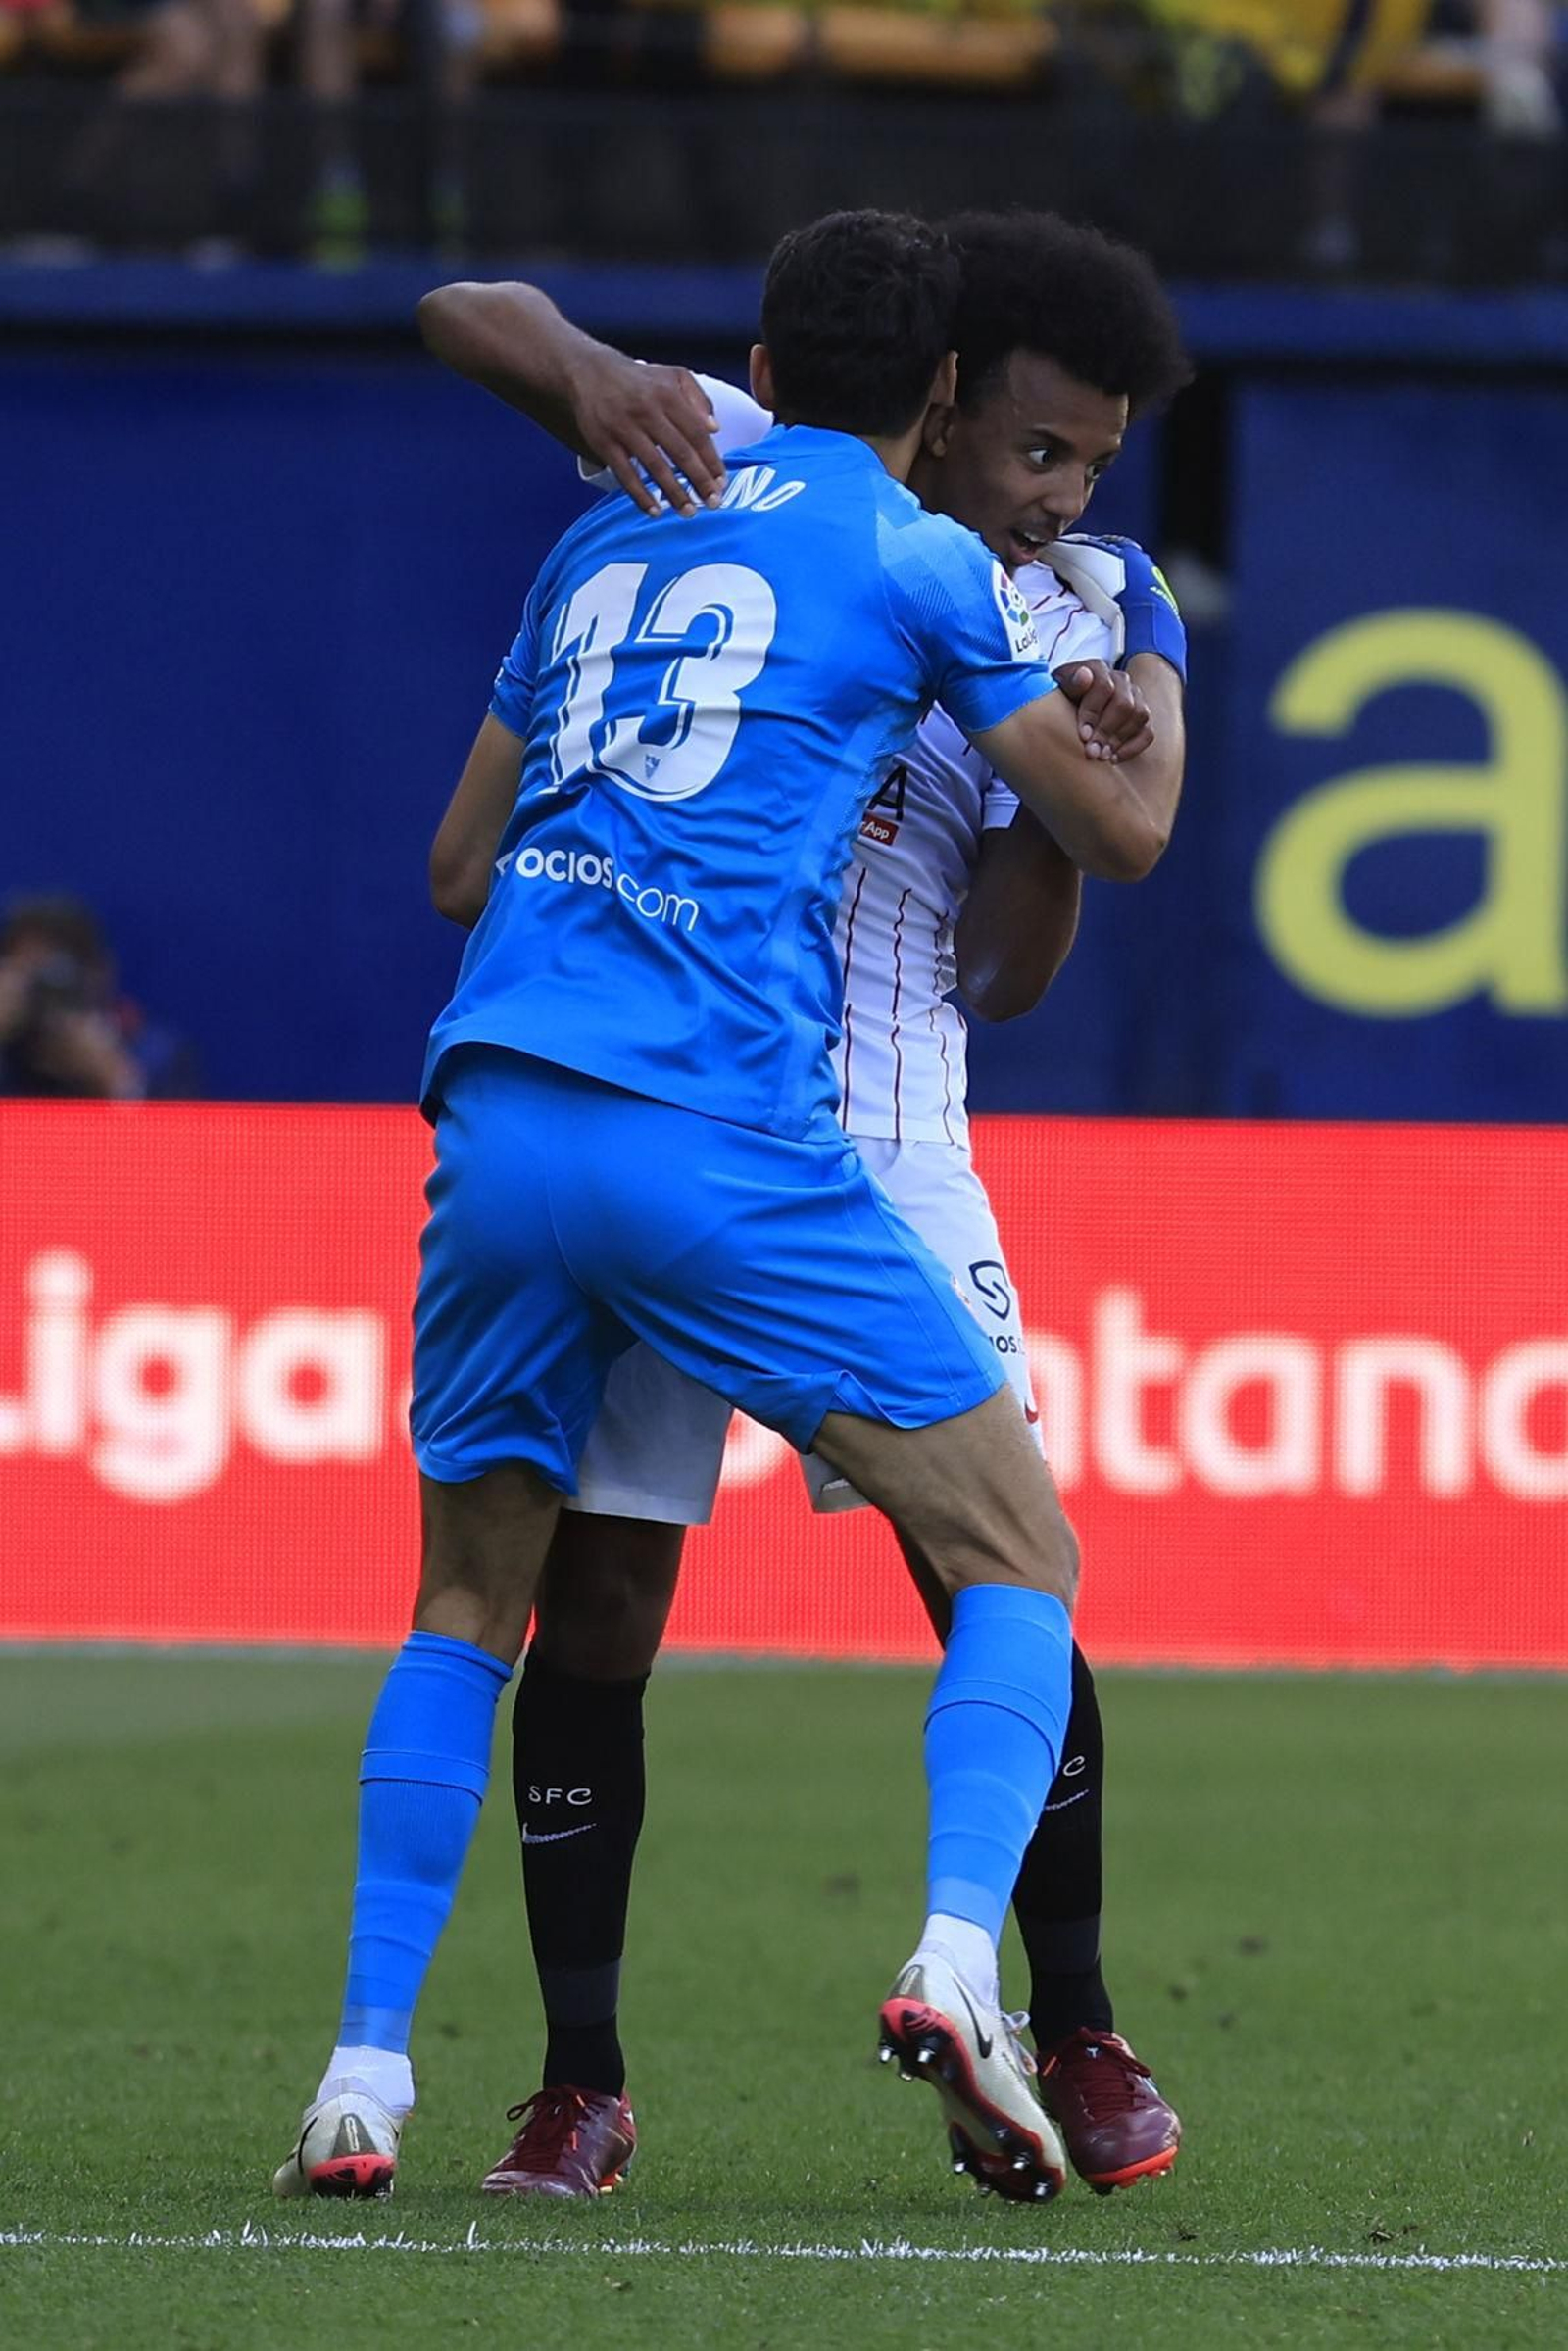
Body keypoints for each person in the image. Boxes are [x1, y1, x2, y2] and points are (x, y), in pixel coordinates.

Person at [271, 206, 1179, 2209]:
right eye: (1036, 447)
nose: (1060, 493)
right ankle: (592, 2077)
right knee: (645, 1594)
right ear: (946, 400)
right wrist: (594, 377)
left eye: (1090, 466)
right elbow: (475, 311)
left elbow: (1006, 963)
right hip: (730, 1111)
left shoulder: (967, 582)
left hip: (763, 1109)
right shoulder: (776, 483)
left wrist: (1107, 710)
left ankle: (1077, 2015)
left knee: (930, 1568)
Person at [0, 895, 199, 1099]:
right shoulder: (7, 1056)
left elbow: (175, 1117)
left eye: (54, 976)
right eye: (25, 975)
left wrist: (118, 1081)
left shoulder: (157, 1055)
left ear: (97, 973)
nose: (39, 994)